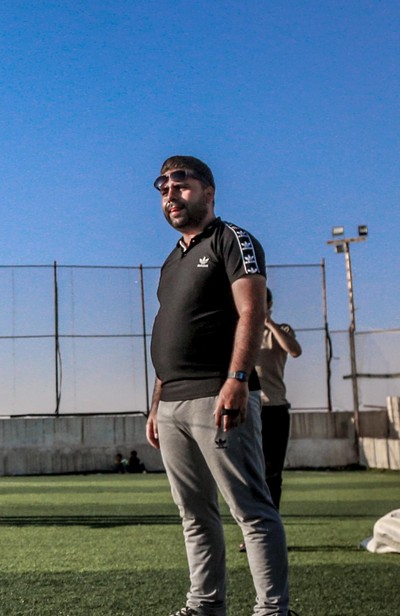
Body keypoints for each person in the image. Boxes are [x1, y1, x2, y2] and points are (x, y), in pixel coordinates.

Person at [146, 156, 289, 616]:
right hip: (172, 404)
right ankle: (205, 605)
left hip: (218, 395)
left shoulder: (233, 240)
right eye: (162, 187)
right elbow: (169, 332)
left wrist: (237, 380)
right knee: (194, 515)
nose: (170, 194)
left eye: (180, 184)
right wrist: (156, 403)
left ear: (208, 191)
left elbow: (251, 312)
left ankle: (273, 610)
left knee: (251, 509)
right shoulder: (172, 260)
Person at [255, 288, 302, 509]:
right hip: (248, 410)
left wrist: (269, 323)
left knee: (272, 472)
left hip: (274, 409)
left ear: (269, 304)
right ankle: (253, 531)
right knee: (249, 471)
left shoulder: (281, 330)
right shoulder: (239, 331)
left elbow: (294, 350)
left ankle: (270, 529)